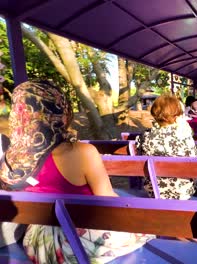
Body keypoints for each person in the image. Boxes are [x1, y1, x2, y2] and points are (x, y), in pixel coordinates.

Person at [0, 81, 153, 263]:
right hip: (77, 241)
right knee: (146, 227)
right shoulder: (82, 152)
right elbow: (108, 199)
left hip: (37, 244)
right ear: (61, 111)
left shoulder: (9, 159)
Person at [136, 95, 197, 200]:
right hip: (183, 192)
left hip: (154, 192)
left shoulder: (144, 136)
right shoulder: (184, 135)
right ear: (177, 114)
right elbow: (194, 164)